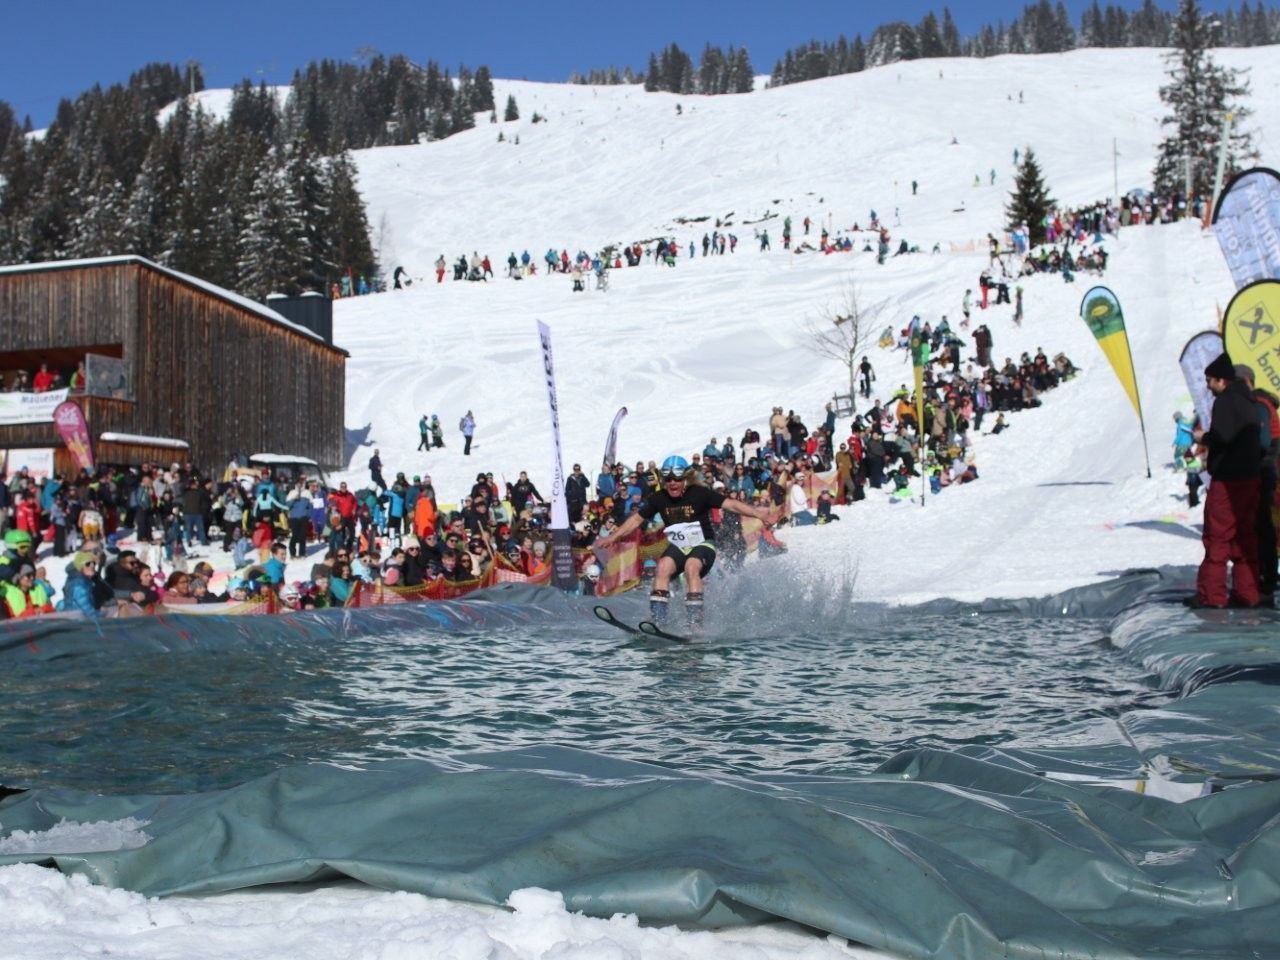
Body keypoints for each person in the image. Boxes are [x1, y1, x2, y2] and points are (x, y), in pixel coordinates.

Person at [594, 455, 777, 629]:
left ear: (685, 479)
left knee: (691, 566)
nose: (672, 483)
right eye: (668, 479)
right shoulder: (659, 498)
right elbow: (636, 520)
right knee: (663, 566)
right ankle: (658, 622)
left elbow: (732, 504)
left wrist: (759, 514)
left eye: (677, 478)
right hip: (679, 547)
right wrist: (613, 537)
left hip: (703, 545)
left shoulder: (699, 493)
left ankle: (695, 625)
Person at [1189, 354, 1261, 608]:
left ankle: (1212, 596)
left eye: (1210, 381)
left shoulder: (1226, 402)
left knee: (1217, 537)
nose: (1208, 386)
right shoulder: (1249, 399)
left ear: (1222, 380)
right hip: (1250, 477)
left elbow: (1223, 437)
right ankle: (1247, 592)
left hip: (1228, 480)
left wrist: (1203, 438)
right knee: (1244, 537)